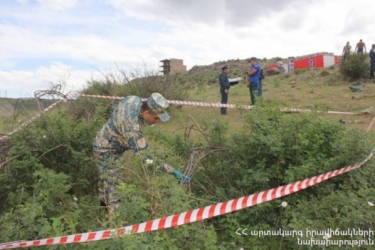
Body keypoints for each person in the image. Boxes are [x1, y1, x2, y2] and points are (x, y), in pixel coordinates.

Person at [93, 93, 190, 211]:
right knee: (113, 185)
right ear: (146, 113)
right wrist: (174, 172)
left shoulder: (134, 100)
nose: (158, 121)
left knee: (106, 179)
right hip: (106, 150)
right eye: (156, 118)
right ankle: (115, 221)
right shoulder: (133, 130)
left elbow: (116, 108)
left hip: (106, 141)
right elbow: (147, 159)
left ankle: (103, 209)